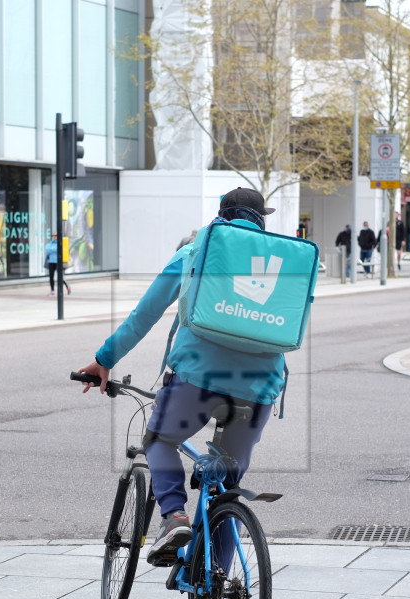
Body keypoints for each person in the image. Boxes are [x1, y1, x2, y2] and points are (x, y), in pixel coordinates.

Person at [76, 187, 284, 566]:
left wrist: (105, 359)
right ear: (261, 220)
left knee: (159, 439)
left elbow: (145, 314)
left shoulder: (195, 251)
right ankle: (217, 588)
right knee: (229, 487)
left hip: (197, 380)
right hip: (260, 389)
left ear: (221, 215)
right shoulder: (281, 261)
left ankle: (174, 517)